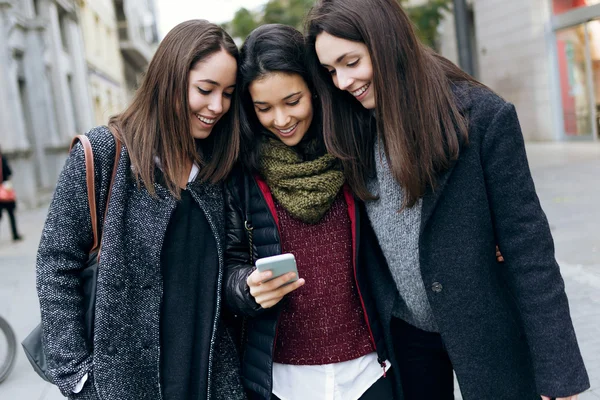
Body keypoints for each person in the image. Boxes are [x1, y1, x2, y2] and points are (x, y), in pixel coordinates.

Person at [304, 0, 590, 399]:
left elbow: (529, 250)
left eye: (351, 61)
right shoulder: (349, 127)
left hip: (488, 331)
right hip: (405, 336)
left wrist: (560, 374)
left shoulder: (481, 117)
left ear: (386, 42)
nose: (342, 81)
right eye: (331, 70)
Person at [36, 20, 245, 400]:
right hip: (124, 385)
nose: (217, 106)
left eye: (228, 93)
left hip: (209, 379)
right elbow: (56, 263)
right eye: (205, 89)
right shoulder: (104, 154)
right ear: (170, 78)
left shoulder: (217, 165)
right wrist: (77, 378)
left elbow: (225, 268)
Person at [223, 24, 393, 400]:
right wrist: (246, 287)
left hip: (369, 370)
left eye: (293, 101)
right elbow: (226, 267)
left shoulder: (356, 149)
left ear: (316, 90)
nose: (281, 120)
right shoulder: (241, 173)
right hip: (282, 379)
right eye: (263, 108)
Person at [0, 149, 22, 242]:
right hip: (5, 190)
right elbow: (9, 172)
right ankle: (15, 234)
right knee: (11, 214)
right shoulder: (2, 159)